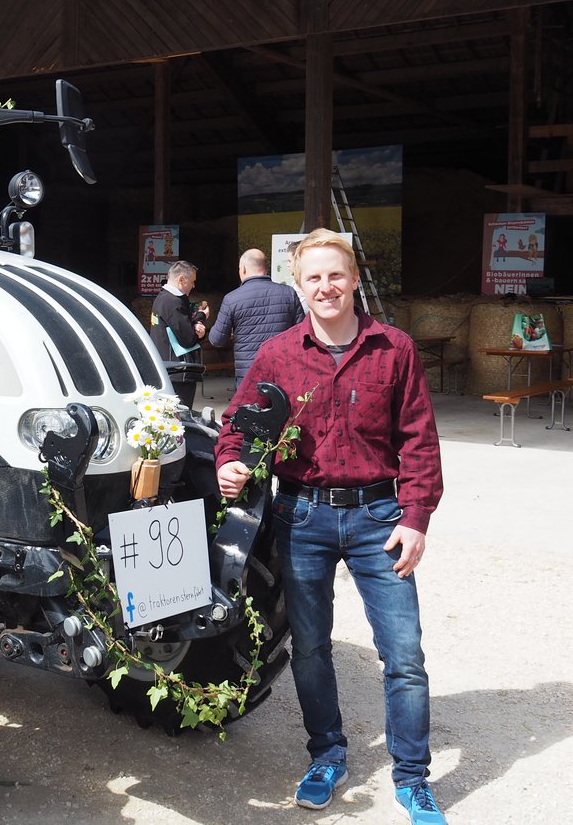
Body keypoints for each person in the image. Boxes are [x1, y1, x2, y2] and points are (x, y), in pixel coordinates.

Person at [214, 229, 446, 823]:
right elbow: (236, 424)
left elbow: (419, 440)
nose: (326, 287)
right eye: (313, 277)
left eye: (335, 275)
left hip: (378, 520)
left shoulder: (393, 349)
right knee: (311, 648)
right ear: (299, 286)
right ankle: (327, 755)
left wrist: (415, 516)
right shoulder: (278, 354)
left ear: (354, 279)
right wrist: (231, 462)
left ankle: (412, 777)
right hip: (302, 518)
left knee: (404, 654)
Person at [208, 248, 305, 389]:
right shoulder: (289, 293)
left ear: (243, 269)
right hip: (283, 370)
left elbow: (217, 340)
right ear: (265, 268)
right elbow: (301, 334)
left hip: (248, 373)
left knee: (250, 411)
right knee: (283, 410)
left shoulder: (232, 299)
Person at [149, 260, 207, 408]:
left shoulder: (162, 298)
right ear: (181, 279)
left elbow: (181, 326)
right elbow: (187, 339)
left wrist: (195, 323)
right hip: (179, 371)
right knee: (181, 417)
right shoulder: (173, 302)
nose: (193, 286)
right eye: (192, 281)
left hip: (167, 367)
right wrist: (201, 318)